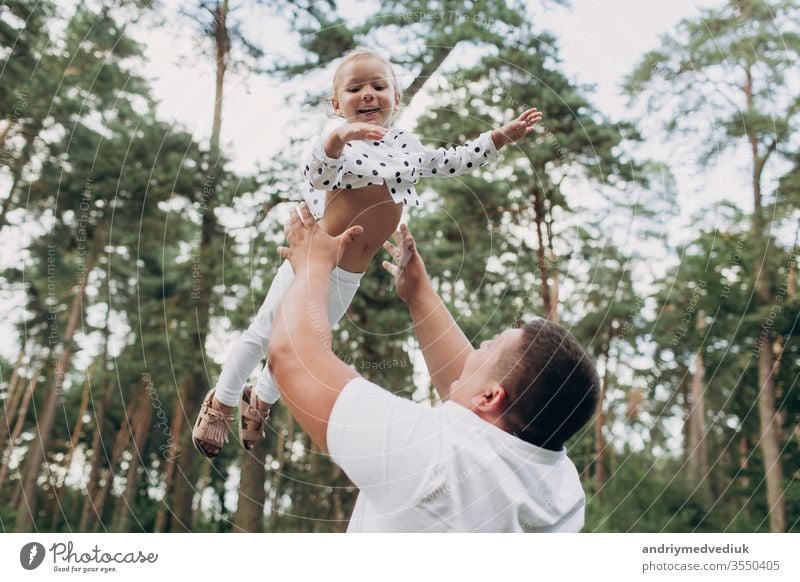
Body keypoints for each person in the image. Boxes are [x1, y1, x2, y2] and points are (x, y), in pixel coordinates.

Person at [192, 46, 543, 456]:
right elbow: (317, 176)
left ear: (397, 98)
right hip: (314, 261)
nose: (368, 94)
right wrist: (336, 140)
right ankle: (222, 401)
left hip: (348, 275)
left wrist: (499, 137)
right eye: (355, 88)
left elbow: (451, 161)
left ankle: (262, 399)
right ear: (336, 103)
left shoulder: (407, 147)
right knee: (265, 331)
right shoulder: (338, 145)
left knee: (307, 344)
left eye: (379, 86)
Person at [268, 202, 600, 532]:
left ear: (490, 397)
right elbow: (474, 405)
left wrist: (312, 263)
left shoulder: (430, 460)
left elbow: (293, 358)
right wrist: (419, 293)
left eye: (492, 345)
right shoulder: (562, 493)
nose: (479, 347)